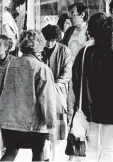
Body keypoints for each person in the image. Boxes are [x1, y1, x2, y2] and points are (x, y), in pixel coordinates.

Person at [71, 14, 113, 161]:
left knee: (91, 149)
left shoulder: (84, 54)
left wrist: (78, 104)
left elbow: (76, 81)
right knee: (108, 149)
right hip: (112, 110)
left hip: (88, 109)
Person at [0, 30, 57, 161]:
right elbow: (47, 100)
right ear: (40, 45)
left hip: (9, 123)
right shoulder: (42, 68)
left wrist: (3, 113)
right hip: (34, 125)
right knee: (38, 152)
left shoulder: (8, 65)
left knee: (10, 151)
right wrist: (51, 124)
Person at [41, 24, 72, 161]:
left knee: (57, 134)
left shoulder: (64, 51)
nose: (49, 43)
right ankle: (47, 156)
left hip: (58, 95)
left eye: (52, 40)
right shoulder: (39, 50)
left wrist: (52, 86)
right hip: (41, 95)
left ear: (57, 39)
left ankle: (54, 158)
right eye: (46, 40)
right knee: (42, 131)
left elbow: (67, 73)